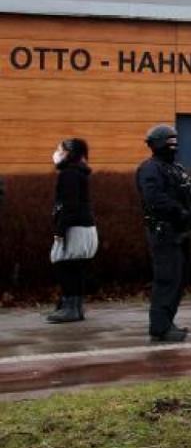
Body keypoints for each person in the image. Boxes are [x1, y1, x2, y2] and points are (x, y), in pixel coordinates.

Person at [135, 124, 191, 342]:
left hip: (181, 232)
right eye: (168, 141)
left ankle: (168, 322)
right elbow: (155, 199)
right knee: (166, 279)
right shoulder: (150, 169)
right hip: (164, 232)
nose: (172, 146)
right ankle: (160, 327)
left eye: (174, 141)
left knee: (179, 279)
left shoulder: (177, 168)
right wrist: (182, 213)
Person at [46, 138, 98, 324]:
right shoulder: (78, 173)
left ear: (69, 153)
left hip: (75, 227)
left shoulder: (68, 174)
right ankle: (74, 307)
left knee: (64, 265)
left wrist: (60, 230)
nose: (57, 153)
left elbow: (70, 205)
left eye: (60, 150)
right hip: (84, 226)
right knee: (76, 267)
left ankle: (70, 308)